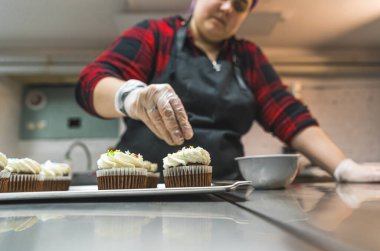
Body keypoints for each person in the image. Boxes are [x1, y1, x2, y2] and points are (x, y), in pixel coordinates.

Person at [76, 0, 380, 182]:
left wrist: (344, 168)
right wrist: (132, 97)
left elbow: (288, 115)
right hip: (140, 185)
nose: (226, 7)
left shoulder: (248, 57)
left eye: (239, 4)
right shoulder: (157, 35)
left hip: (222, 191)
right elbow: (92, 82)